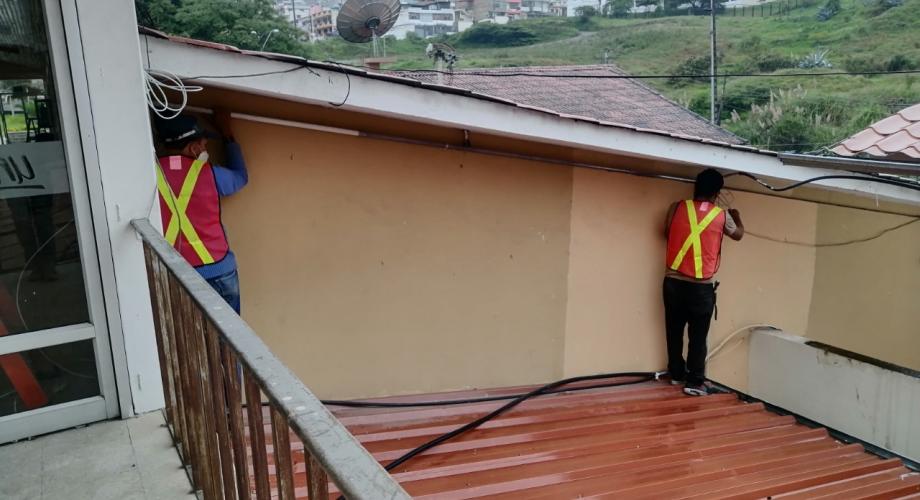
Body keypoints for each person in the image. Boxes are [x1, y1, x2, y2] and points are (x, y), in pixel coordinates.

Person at [154, 112, 248, 314]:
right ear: (193, 148)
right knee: (228, 333)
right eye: (204, 145)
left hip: (172, 274)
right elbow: (240, 177)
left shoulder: (148, 175)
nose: (206, 150)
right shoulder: (211, 174)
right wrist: (228, 134)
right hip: (218, 271)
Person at [663, 168, 744, 396]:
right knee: (698, 337)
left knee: (674, 331)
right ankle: (694, 382)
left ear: (695, 187)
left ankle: (676, 374)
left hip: (673, 282)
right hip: (701, 287)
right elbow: (738, 234)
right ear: (717, 193)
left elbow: (667, 231)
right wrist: (736, 215)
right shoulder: (722, 216)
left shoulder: (677, 207)